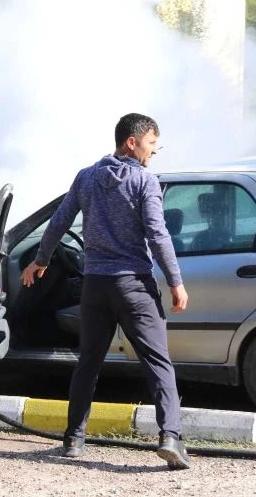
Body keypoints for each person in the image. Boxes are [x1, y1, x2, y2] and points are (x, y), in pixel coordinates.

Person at [20, 113, 191, 470]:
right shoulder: (144, 182)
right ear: (132, 142)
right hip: (134, 285)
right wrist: (175, 281)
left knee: (88, 363)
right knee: (158, 362)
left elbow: (59, 222)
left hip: (95, 286)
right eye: (151, 144)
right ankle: (170, 438)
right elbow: (158, 235)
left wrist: (41, 259)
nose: (153, 153)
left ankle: (73, 439)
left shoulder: (86, 177)